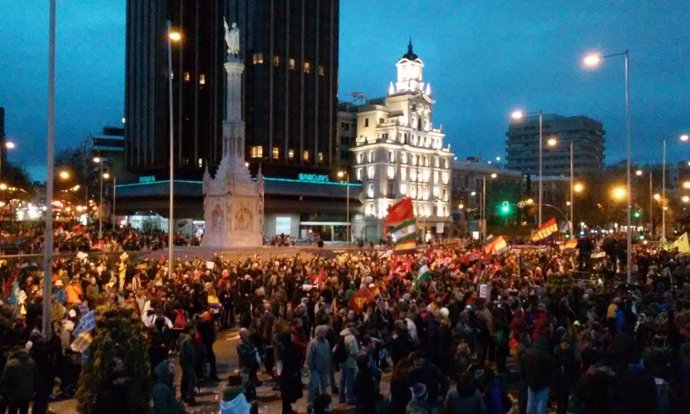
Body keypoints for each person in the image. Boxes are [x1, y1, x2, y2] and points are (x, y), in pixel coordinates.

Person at [519, 338, 554, 414]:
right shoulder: (548, 358)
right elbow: (551, 372)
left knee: (531, 406)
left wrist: (524, 378)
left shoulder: (526, 355)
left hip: (531, 383)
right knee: (541, 407)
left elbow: (522, 369)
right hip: (543, 384)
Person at [0, 346, 37, 414]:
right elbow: (36, 378)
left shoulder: (10, 363)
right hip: (27, 394)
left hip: (13, 394)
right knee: (24, 411)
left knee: (12, 411)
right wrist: (33, 391)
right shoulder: (32, 362)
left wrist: (5, 394)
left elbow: (3, 381)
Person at [307, 324, 332, 412]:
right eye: (324, 332)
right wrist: (311, 367)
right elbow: (309, 357)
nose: (325, 334)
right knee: (313, 388)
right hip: (316, 369)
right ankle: (310, 404)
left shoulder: (326, 342)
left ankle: (323, 404)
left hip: (325, 368)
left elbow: (328, 354)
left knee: (324, 388)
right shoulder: (313, 343)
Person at [277, 331, 302, 414]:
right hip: (288, 376)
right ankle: (286, 410)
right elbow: (285, 363)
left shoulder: (287, 348)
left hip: (288, 375)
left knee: (287, 395)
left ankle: (288, 409)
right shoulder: (286, 350)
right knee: (287, 394)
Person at [178, 323, 198, 406]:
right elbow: (191, 352)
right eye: (194, 329)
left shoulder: (182, 338)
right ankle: (190, 397)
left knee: (185, 379)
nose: (195, 331)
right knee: (191, 379)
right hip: (188, 362)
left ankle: (184, 395)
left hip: (183, 361)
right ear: (190, 330)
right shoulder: (189, 339)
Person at [339, 325, 359, 405]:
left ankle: (341, 397)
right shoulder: (351, 338)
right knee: (349, 381)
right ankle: (349, 398)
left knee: (342, 380)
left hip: (342, 361)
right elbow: (354, 352)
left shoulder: (341, 336)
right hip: (349, 362)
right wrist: (357, 358)